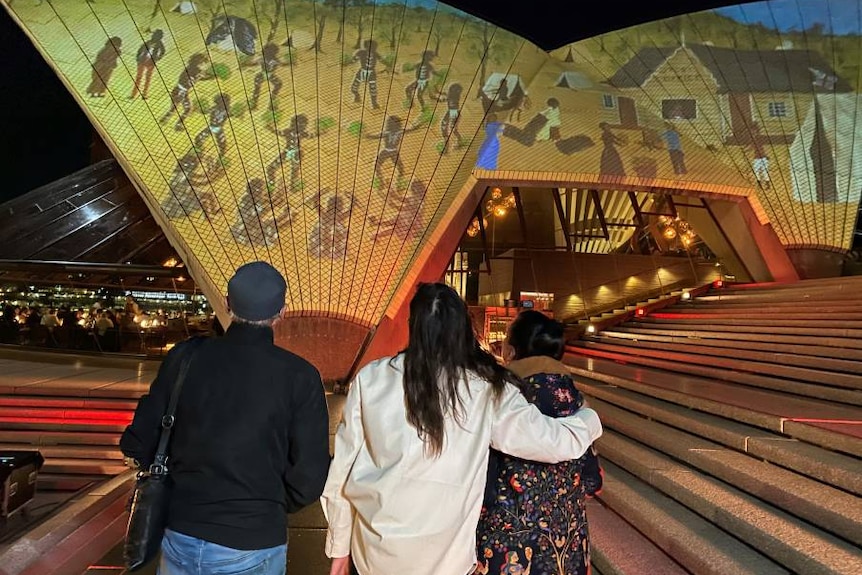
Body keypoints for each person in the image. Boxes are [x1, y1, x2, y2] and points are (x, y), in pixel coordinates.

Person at [321, 283, 603, 575]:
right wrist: (589, 418)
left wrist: (339, 548)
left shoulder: (372, 378)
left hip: (374, 555)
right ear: (463, 330)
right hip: (447, 561)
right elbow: (553, 443)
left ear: (413, 326)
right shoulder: (485, 388)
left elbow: (342, 471)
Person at [120, 261, 331, 575]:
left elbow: (138, 441)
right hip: (253, 538)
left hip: (181, 532)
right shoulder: (299, 376)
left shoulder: (185, 358)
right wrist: (269, 503)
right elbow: (310, 475)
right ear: (281, 313)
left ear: (228, 304)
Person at [476, 310, 603, 575]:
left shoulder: (503, 397)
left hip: (509, 544)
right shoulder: (575, 400)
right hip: (566, 545)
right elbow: (593, 480)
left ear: (510, 352)